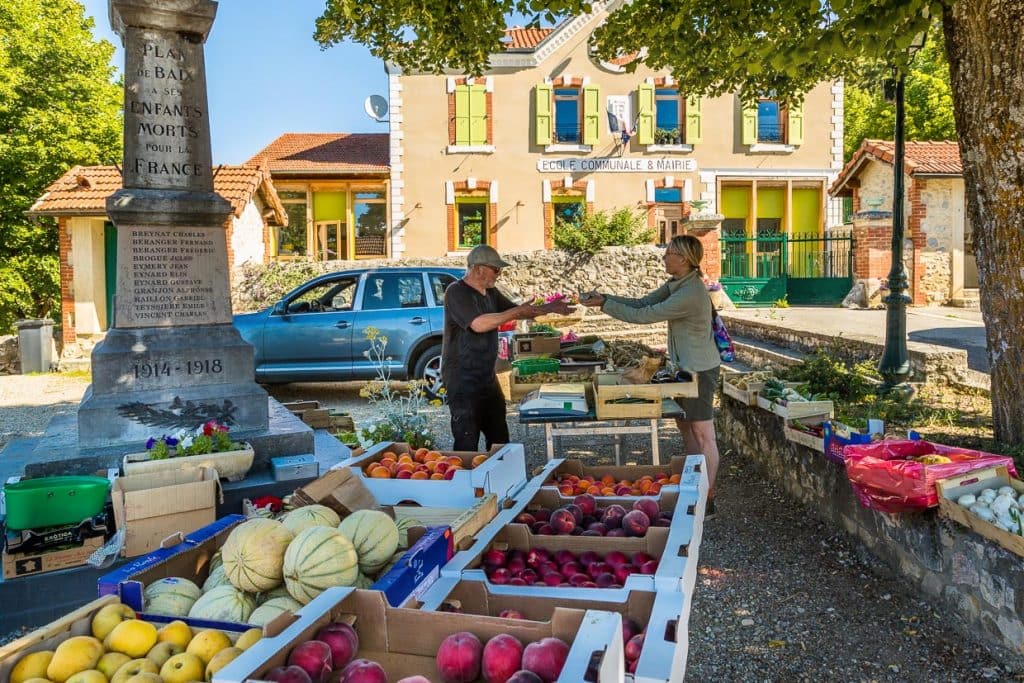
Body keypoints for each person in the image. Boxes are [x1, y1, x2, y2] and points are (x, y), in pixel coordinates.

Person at [579, 234, 722, 513]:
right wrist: (605, 298)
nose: (663, 256)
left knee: (704, 433)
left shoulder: (690, 293)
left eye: (668, 252)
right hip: (684, 368)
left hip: (700, 369)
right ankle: (695, 484)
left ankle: (708, 497)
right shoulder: (676, 284)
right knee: (685, 426)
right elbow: (642, 303)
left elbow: (644, 316)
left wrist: (604, 306)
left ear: (682, 259)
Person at [442, 244, 571, 451]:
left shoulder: (491, 293)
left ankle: (499, 477)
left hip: (486, 376)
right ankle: (466, 479)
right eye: (496, 269)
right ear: (478, 269)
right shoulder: (457, 292)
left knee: (499, 434)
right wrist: (517, 312)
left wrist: (550, 308)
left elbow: (517, 310)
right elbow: (479, 323)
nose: (499, 274)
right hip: (462, 377)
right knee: (467, 436)